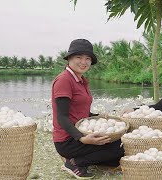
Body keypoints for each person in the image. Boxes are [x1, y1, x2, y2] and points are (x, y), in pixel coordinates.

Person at [52, 39, 124, 179]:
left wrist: (97, 116)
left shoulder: (81, 80)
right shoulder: (64, 80)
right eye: (79, 57)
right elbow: (62, 117)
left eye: (87, 58)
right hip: (68, 139)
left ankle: (89, 158)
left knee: (118, 154)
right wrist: (83, 138)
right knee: (121, 146)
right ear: (69, 58)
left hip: (81, 132)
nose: (83, 62)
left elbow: (80, 112)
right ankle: (74, 163)